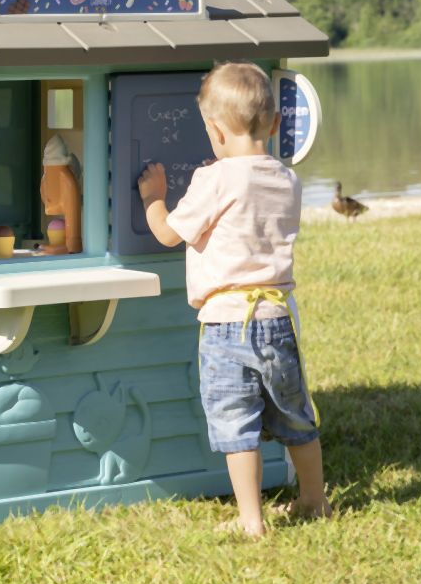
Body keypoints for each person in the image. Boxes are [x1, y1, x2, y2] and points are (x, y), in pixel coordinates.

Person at [137, 61, 331, 537]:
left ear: (216, 132)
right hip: (277, 318)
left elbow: (168, 233)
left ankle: (251, 520)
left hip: (226, 324)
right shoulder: (287, 180)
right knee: (296, 416)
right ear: (276, 124)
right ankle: (315, 499)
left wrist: (153, 197)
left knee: (235, 422)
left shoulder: (215, 180)